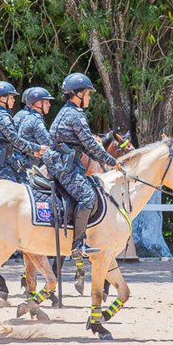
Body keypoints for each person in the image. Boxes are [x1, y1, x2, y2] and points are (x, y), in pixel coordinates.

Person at [47, 73, 121, 258]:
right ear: (77, 94)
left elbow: (83, 146)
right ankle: (77, 245)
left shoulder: (64, 111)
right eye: (87, 94)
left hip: (62, 162)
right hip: (66, 166)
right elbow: (89, 143)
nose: (89, 97)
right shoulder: (75, 114)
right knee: (87, 196)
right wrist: (112, 161)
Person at [0, 81, 47, 182]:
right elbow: (15, 140)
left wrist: (33, 152)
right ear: (2, 99)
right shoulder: (1, 116)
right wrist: (38, 148)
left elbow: (11, 142)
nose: (14, 100)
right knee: (12, 188)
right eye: (11, 97)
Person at [17, 87, 56, 168]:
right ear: (38, 104)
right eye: (46, 102)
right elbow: (49, 144)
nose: (49, 105)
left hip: (23, 162)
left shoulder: (29, 117)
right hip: (30, 166)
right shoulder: (36, 120)